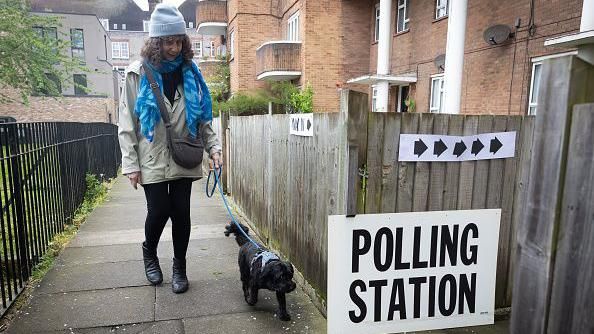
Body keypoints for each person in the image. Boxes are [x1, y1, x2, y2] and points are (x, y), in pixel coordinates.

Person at [118, 4, 222, 294]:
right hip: (150, 154)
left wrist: (214, 148)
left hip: (184, 152)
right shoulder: (136, 73)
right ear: (155, 42)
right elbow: (126, 122)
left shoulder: (191, 71)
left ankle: (180, 266)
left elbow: (202, 116)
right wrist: (131, 164)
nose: (174, 48)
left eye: (178, 41)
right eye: (168, 42)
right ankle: (149, 251)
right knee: (159, 209)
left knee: (181, 211)